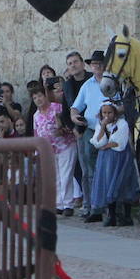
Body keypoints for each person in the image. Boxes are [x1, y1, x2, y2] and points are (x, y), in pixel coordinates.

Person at [69, 50, 109, 222]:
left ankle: (109, 204)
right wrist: (74, 117)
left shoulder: (111, 82)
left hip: (109, 130)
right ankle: (93, 206)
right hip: (91, 129)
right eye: (94, 64)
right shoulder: (87, 84)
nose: (96, 67)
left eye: (99, 64)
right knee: (89, 170)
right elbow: (75, 107)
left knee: (107, 168)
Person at [31, 81, 80, 215]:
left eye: (40, 96)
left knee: (66, 175)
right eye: (35, 98)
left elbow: (67, 124)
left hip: (65, 145)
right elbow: (36, 133)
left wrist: (62, 129)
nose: (38, 100)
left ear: (46, 95)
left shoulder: (57, 107)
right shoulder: (36, 115)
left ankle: (68, 204)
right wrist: (37, 151)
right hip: (49, 150)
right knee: (55, 176)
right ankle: (58, 203)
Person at [89, 99, 138, 227]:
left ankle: (127, 216)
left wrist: (105, 146)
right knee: (107, 183)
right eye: (104, 113)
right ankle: (112, 215)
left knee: (122, 184)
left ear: (114, 113)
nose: (107, 115)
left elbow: (118, 142)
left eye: (109, 112)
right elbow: (97, 142)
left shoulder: (122, 124)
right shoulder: (100, 125)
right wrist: (103, 128)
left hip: (120, 158)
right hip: (106, 160)